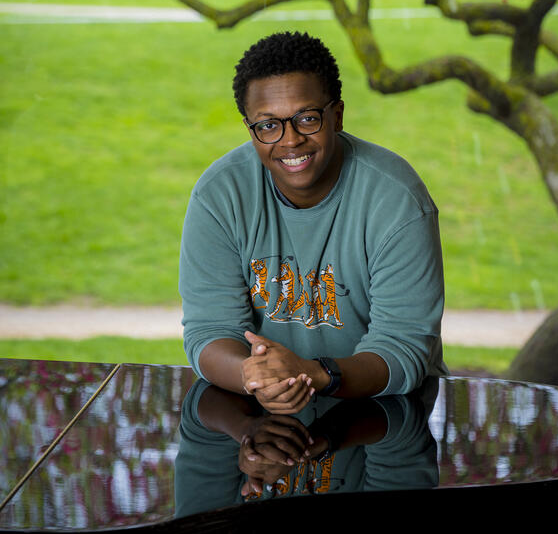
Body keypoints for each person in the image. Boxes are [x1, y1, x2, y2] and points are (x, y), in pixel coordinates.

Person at [179, 31, 445, 415]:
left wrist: (315, 374)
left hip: (386, 413)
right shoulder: (220, 196)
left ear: (336, 115)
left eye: (307, 118)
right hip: (260, 410)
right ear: (250, 128)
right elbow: (210, 330)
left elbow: (403, 347)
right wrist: (255, 378)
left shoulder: (396, 200)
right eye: (268, 125)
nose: (290, 141)